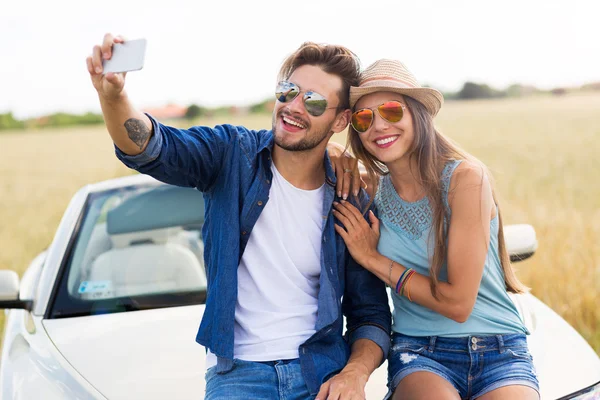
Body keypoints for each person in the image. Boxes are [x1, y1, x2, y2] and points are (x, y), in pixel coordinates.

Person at [86, 34, 390, 400]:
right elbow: (155, 147)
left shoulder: (349, 194)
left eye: (313, 101)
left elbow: (370, 313)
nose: (293, 106)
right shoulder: (231, 153)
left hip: (322, 375)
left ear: (340, 120)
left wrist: (354, 374)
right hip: (239, 377)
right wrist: (114, 97)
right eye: (288, 91)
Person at [331, 59, 540, 399]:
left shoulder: (466, 179)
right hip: (420, 352)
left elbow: (458, 303)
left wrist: (371, 258)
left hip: (500, 348)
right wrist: (333, 149)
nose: (378, 126)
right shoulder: (369, 190)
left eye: (391, 111)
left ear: (418, 114)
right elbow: (314, 153)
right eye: (364, 119)